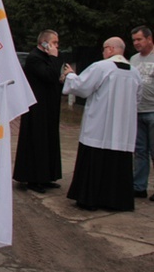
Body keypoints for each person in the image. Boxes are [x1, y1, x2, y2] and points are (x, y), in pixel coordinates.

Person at [62, 37, 141, 211]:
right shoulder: (134, 72)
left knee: (95, 159)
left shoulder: (101, 67)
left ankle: (90, 199)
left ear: (111, 49)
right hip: (123, 128)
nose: (103, 52)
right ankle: (117, 201)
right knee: (118, 164)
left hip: (100, 125)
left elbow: (82, 87)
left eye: (104, 49)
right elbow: (138, 97)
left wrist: (70, 75)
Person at [13, 30, 65, 193]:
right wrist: (54, 58)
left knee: (49, 140)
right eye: (54, 43)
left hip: (49, 107)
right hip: (37, 108)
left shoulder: (47, 58)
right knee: (37, 141)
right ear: (44, 43)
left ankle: (47, 176)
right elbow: (48, 75)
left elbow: (54, 77)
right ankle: (34, 178)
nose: (57, 46)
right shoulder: (34, 58)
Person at [130, 25, 154, 201]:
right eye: (134, 40)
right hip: (138, 111)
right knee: (140, 151)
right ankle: (139, 187)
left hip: (153, 111)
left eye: (139, 39)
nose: (136, 43)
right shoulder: (133, 59)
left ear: (149, 39)